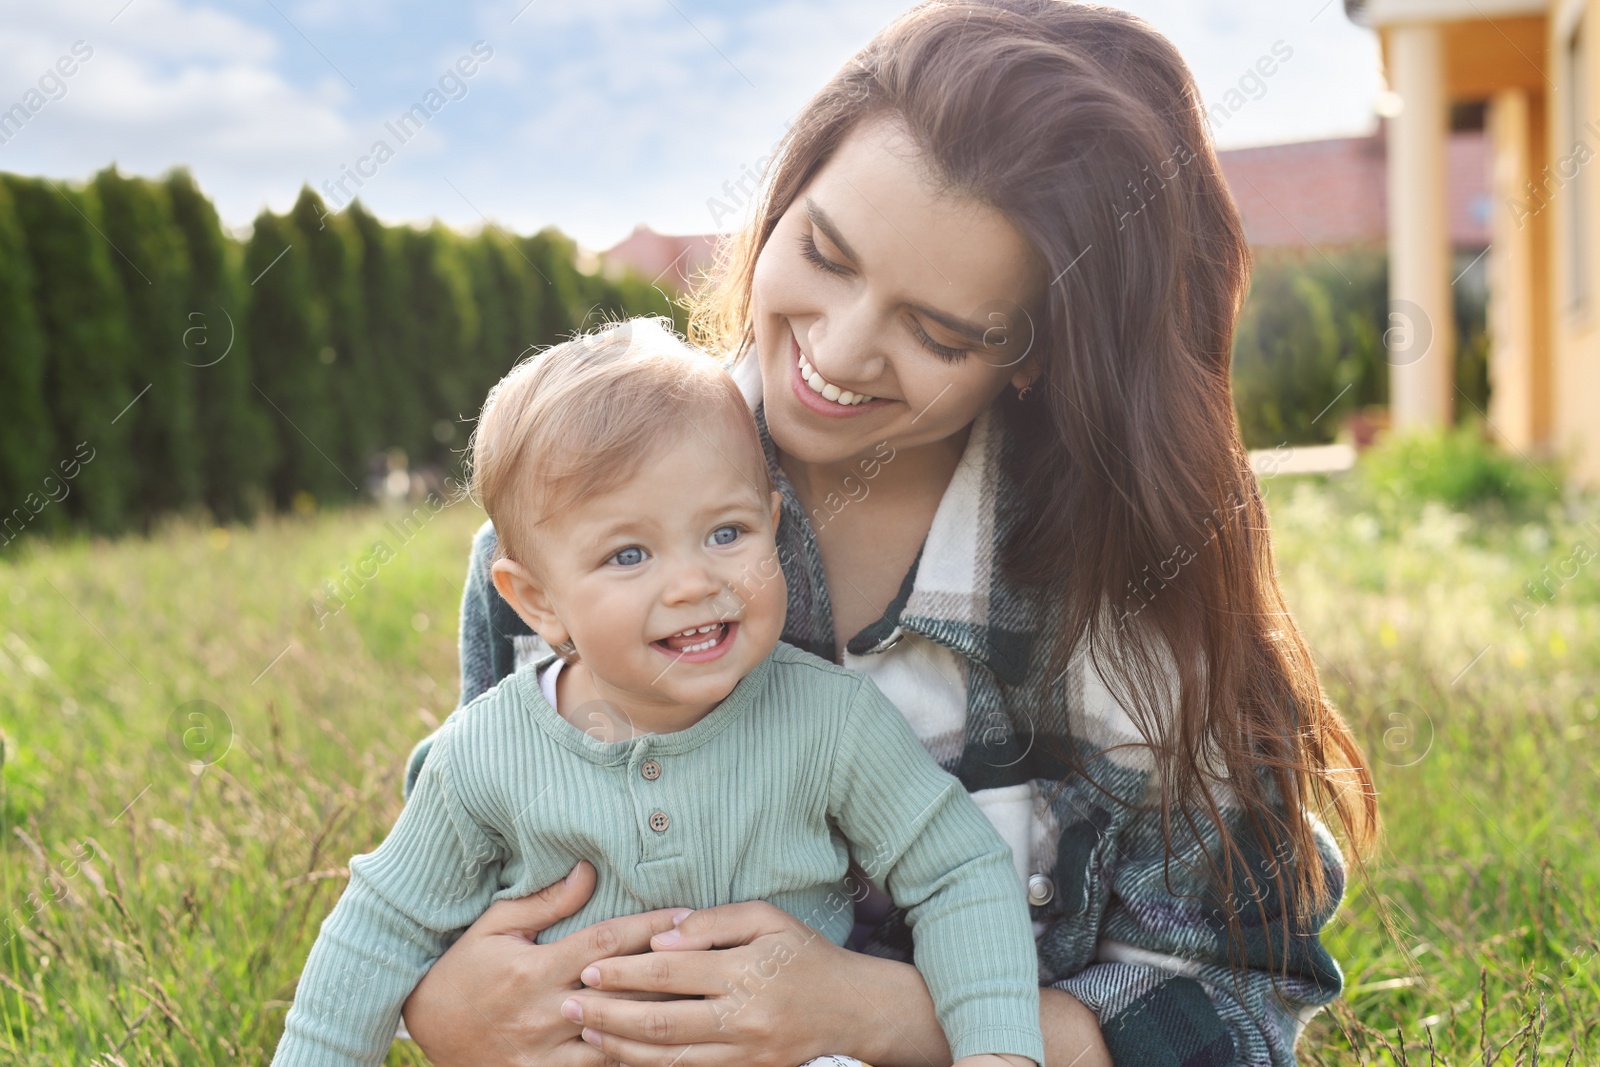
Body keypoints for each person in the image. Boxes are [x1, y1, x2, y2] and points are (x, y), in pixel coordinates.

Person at [400, 3, 1379, 1066]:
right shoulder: (563, 541)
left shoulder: (1128, 597)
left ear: (1036, 355)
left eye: (938, 331)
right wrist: (442, 1005)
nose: (838, 348)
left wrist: (876, 1015)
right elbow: (465, 888)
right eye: (823, 251)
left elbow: (1233, 1006)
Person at [273, 320, 1045, 1067]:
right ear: (536, 599)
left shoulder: (829, 723)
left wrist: (997, 1048)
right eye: (630, 553)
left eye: (726, 533)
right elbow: (378, 927)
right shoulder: (486, 754)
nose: (694, 583)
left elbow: (957, 871)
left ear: (772, 525)